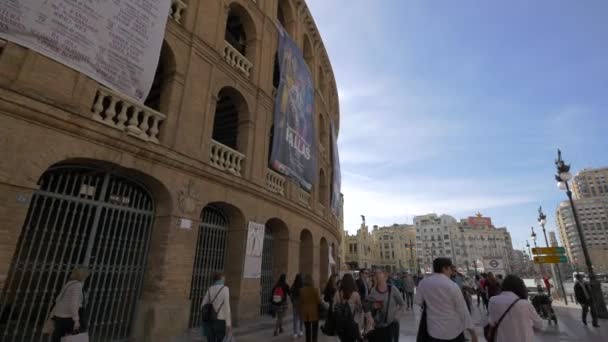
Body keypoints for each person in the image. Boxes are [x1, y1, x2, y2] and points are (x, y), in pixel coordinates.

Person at [415, 258, 478, 342]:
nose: (451, 271)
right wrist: (472, 332)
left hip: (433, 330)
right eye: (450, 268)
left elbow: (417, 302)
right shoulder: (452, 285)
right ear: (444, 268)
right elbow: (463, 310)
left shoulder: (423, 283)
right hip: (453, 331)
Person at [488, 275, 543, 342]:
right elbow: (539, 325)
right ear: (520, 288)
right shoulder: (524, 304)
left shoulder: (493, 301)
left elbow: (492, 322)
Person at [51, 267, 90, 342]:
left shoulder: (69, 283)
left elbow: (59, 299)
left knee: (58, 338)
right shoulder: (77, 285)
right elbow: (73, 303)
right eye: (86, 276)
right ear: (82, 276)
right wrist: (76, 320)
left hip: (59, 315)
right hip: (68, 317)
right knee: (75, 337)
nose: (86, 278)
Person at [364, 269, 404, 342]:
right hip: (378, 326)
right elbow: (366, 305)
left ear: (385, 277)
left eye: (378, 274)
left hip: (391, 325)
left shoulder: (392, 289)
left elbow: (402, 304)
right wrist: (372, 307)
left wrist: (397, 316)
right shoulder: (373, 290)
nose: (376, 276)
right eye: (375, 275)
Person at [333, 274, 364, 342]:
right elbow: (360, 309)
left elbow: (333, 307)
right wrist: (354, 306)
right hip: (351, 323)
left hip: (340, 323)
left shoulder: (337, 293)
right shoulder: (355, 294)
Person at [201, 272, 232, 342]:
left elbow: (203, 305)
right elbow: (227, 308)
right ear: (221, 278)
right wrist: (228, 324)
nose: (224, 279)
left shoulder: (210, 289)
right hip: (220, 320)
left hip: (210, 319)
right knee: (221, 339)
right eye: (224, 278)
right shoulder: (225, 289)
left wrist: (208, 312)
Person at [300, 274, 322, 342]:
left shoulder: (301, 290)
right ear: (312, 281)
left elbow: (300, 302)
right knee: (315, 330)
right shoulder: (315, 290)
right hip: (314, 312)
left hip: (305, 312)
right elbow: (319, 301)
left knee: (307, 330)